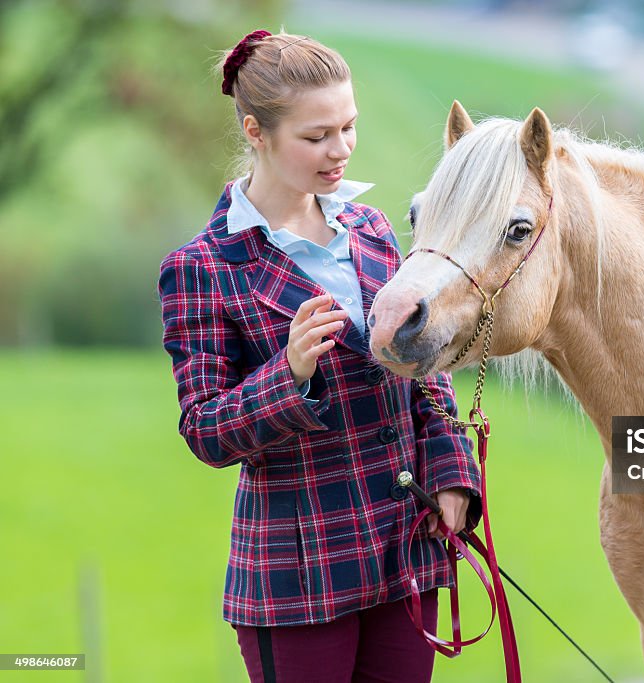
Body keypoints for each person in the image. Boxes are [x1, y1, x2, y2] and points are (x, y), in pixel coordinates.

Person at [157, 29, 481, 683]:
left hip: (403, 550)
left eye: (348, 127)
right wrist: (289, 373)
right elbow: (205, 430)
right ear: (257, 131)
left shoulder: (374, 232)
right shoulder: (203, 267)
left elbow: (429, 376)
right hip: (296, 574)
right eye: (316, 137)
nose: (340, 151)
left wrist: (451, 474)